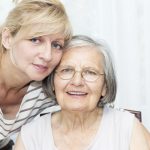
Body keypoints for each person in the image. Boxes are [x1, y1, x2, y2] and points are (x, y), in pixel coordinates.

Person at [14, 35, 150, 150]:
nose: (77, 81)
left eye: (90, 72)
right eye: (66, 70)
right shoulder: (30, 136)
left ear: (105, 86)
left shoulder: (129, 129)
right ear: (52, 82)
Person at [0, 0, 72, 149]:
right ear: (7, 38)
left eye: (56, 45)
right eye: (35, 40)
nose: (47, 56)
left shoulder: (47, 89)